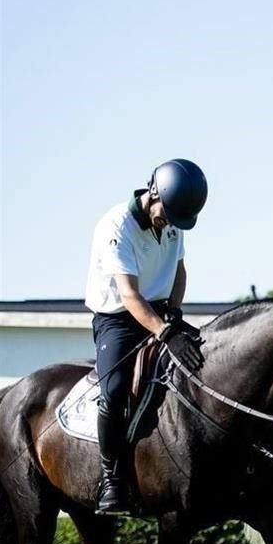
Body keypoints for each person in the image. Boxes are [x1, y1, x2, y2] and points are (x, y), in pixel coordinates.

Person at [84, 159, 208, 514]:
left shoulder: (174, 216)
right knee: (115, 389)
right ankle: (111, 477)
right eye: (166, 214)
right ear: (153, 192)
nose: (169, 223)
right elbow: (130, 296)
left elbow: (180, 270)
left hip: (159, 310)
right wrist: (165, 332)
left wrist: (174, 310)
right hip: (118, 319)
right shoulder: (115, 225)